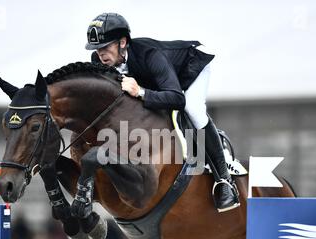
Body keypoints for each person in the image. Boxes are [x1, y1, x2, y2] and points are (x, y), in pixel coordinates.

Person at [85, 13, 239, 212]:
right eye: (97, 49)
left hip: (191, 67)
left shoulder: (149, 55)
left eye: (106, 47)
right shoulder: (99, 61)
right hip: (162, 81)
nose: (101, 54)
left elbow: (176, 98)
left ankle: (224, 180)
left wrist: (140, 92)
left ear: (123, 42)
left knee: (192, 108)